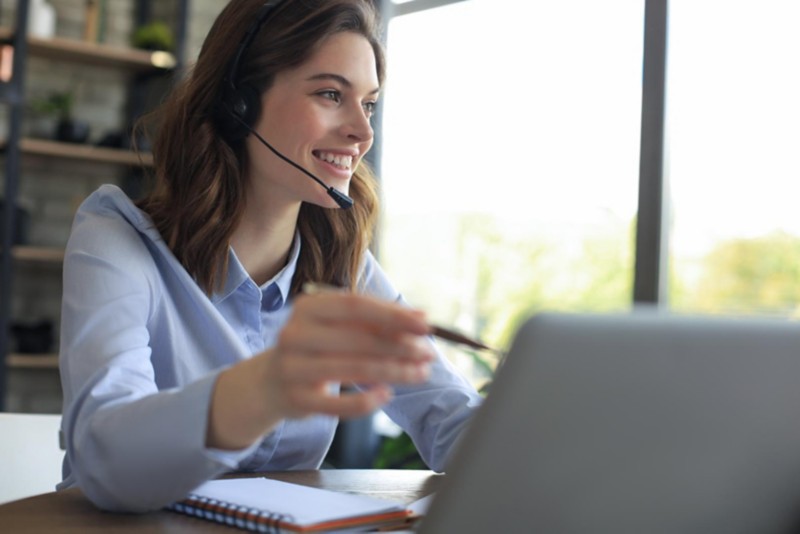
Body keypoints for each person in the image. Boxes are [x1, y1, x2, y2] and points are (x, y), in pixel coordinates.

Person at [57, 0, 481, 513]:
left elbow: (448, 415)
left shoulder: (341, 262)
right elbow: (108, 460)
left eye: (367, 104)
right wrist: (261, 387)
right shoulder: (117, 237)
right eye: (330, 94)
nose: (362, 132)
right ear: (239, 103)